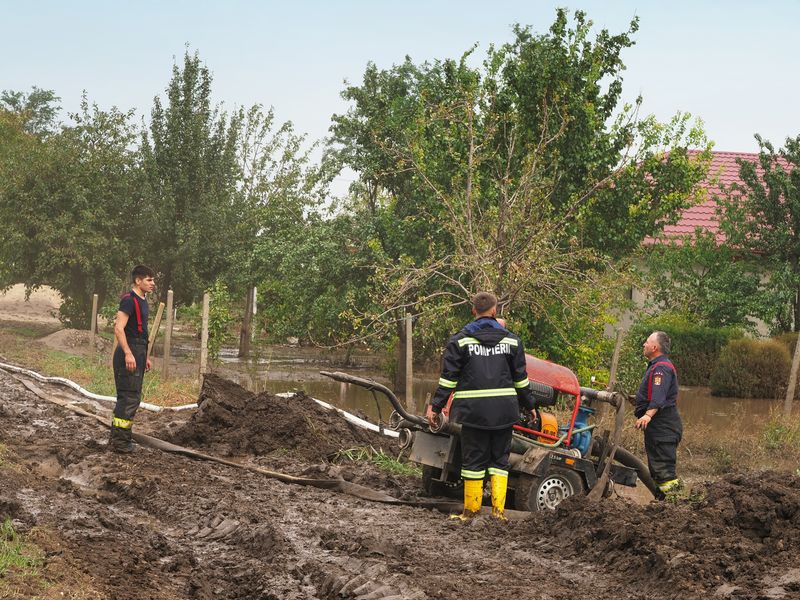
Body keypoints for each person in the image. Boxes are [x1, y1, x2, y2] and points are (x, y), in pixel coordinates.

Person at [428, 292, 535, 520]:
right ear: (495, 311)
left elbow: (448, 380)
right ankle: (498, 513)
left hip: (473, 413)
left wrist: (435, 407)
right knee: (499, 461)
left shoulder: (460, 341)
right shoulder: (512, 342)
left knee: (473, 461)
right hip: (504, 413)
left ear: (473, 310)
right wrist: (531, 405)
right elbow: (521, 381)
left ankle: (470, 512)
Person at [109, 265, 155, 453]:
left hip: (139, 351)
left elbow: (141, 331)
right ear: (138, 281)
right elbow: (119, 328)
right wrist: (128, 353)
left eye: (152, 280)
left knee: (132, 397)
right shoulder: (129, 300)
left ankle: (119, 438)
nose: (153, 283)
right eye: (149, 280)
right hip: (129, 352)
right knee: (128, 397)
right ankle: (120, 443)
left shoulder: (143, 300)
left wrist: (146, 356)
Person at [634, 331, 683, 497]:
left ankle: (678, 503)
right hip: (660, 427)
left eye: (647, 342)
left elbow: (659, 397)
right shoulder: (657, 366)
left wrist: (647, 415)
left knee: (665, 473)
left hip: (663, 427)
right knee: (658, 472)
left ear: (654, 347)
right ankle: (665, 508)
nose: (644, 344)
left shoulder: (661, 368)